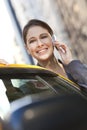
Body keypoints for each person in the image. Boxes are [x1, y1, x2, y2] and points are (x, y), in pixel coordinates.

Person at [0, 19, 87, 90]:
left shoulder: (76, 69)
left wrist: (70, 62)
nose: (39, 44)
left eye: (43, 37)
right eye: (32, 41)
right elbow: (16, 100)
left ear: (53, 39)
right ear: (27, 49)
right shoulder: (31, 88)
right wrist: (6, 77)